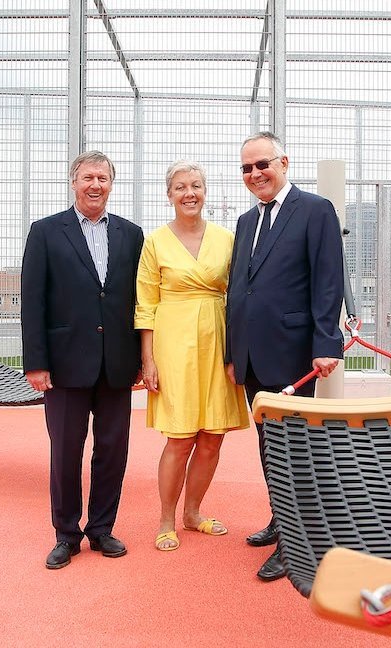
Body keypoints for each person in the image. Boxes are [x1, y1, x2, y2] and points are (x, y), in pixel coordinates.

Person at [224, 131, 344, 582]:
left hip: (295, 354)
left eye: (262, 165)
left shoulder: (315, 211)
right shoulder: (245, 221)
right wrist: (236, 352)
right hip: (254, 355)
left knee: (297, 447)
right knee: (268, 444)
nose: (255, 174)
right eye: (247, 168)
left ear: (284, 163)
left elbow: (327, 281)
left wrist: (326, 345)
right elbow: (240, 287)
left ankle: (300, 543)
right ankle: (281, 519)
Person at [20, 150, 145, 570]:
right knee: (66, 451)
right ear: (74, 182)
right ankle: (66, 534)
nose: (96, 185)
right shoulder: (45, 232)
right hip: (64, 365)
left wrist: (143, 361)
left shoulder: (131, 234)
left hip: (117, 365)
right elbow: (33, 303)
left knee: (113, 450)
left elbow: (137, 301)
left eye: (103, 178)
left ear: (112, 184)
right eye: (88, 177)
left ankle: (102, 529)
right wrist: (36, 363)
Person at [135, 160, 250, 552]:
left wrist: (238, 353)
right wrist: (148, 361)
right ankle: (166, 519)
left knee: (213, 436)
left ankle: (193, 512)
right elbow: (145, 305)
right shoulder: (154, 242)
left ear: (206, 192)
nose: (190, 193)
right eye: (181, 187)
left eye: (197, 186)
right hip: (173, 345)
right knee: (181, 436)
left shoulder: (226, 239)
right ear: (169, 195)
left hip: (217, 343)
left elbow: (238, 298)